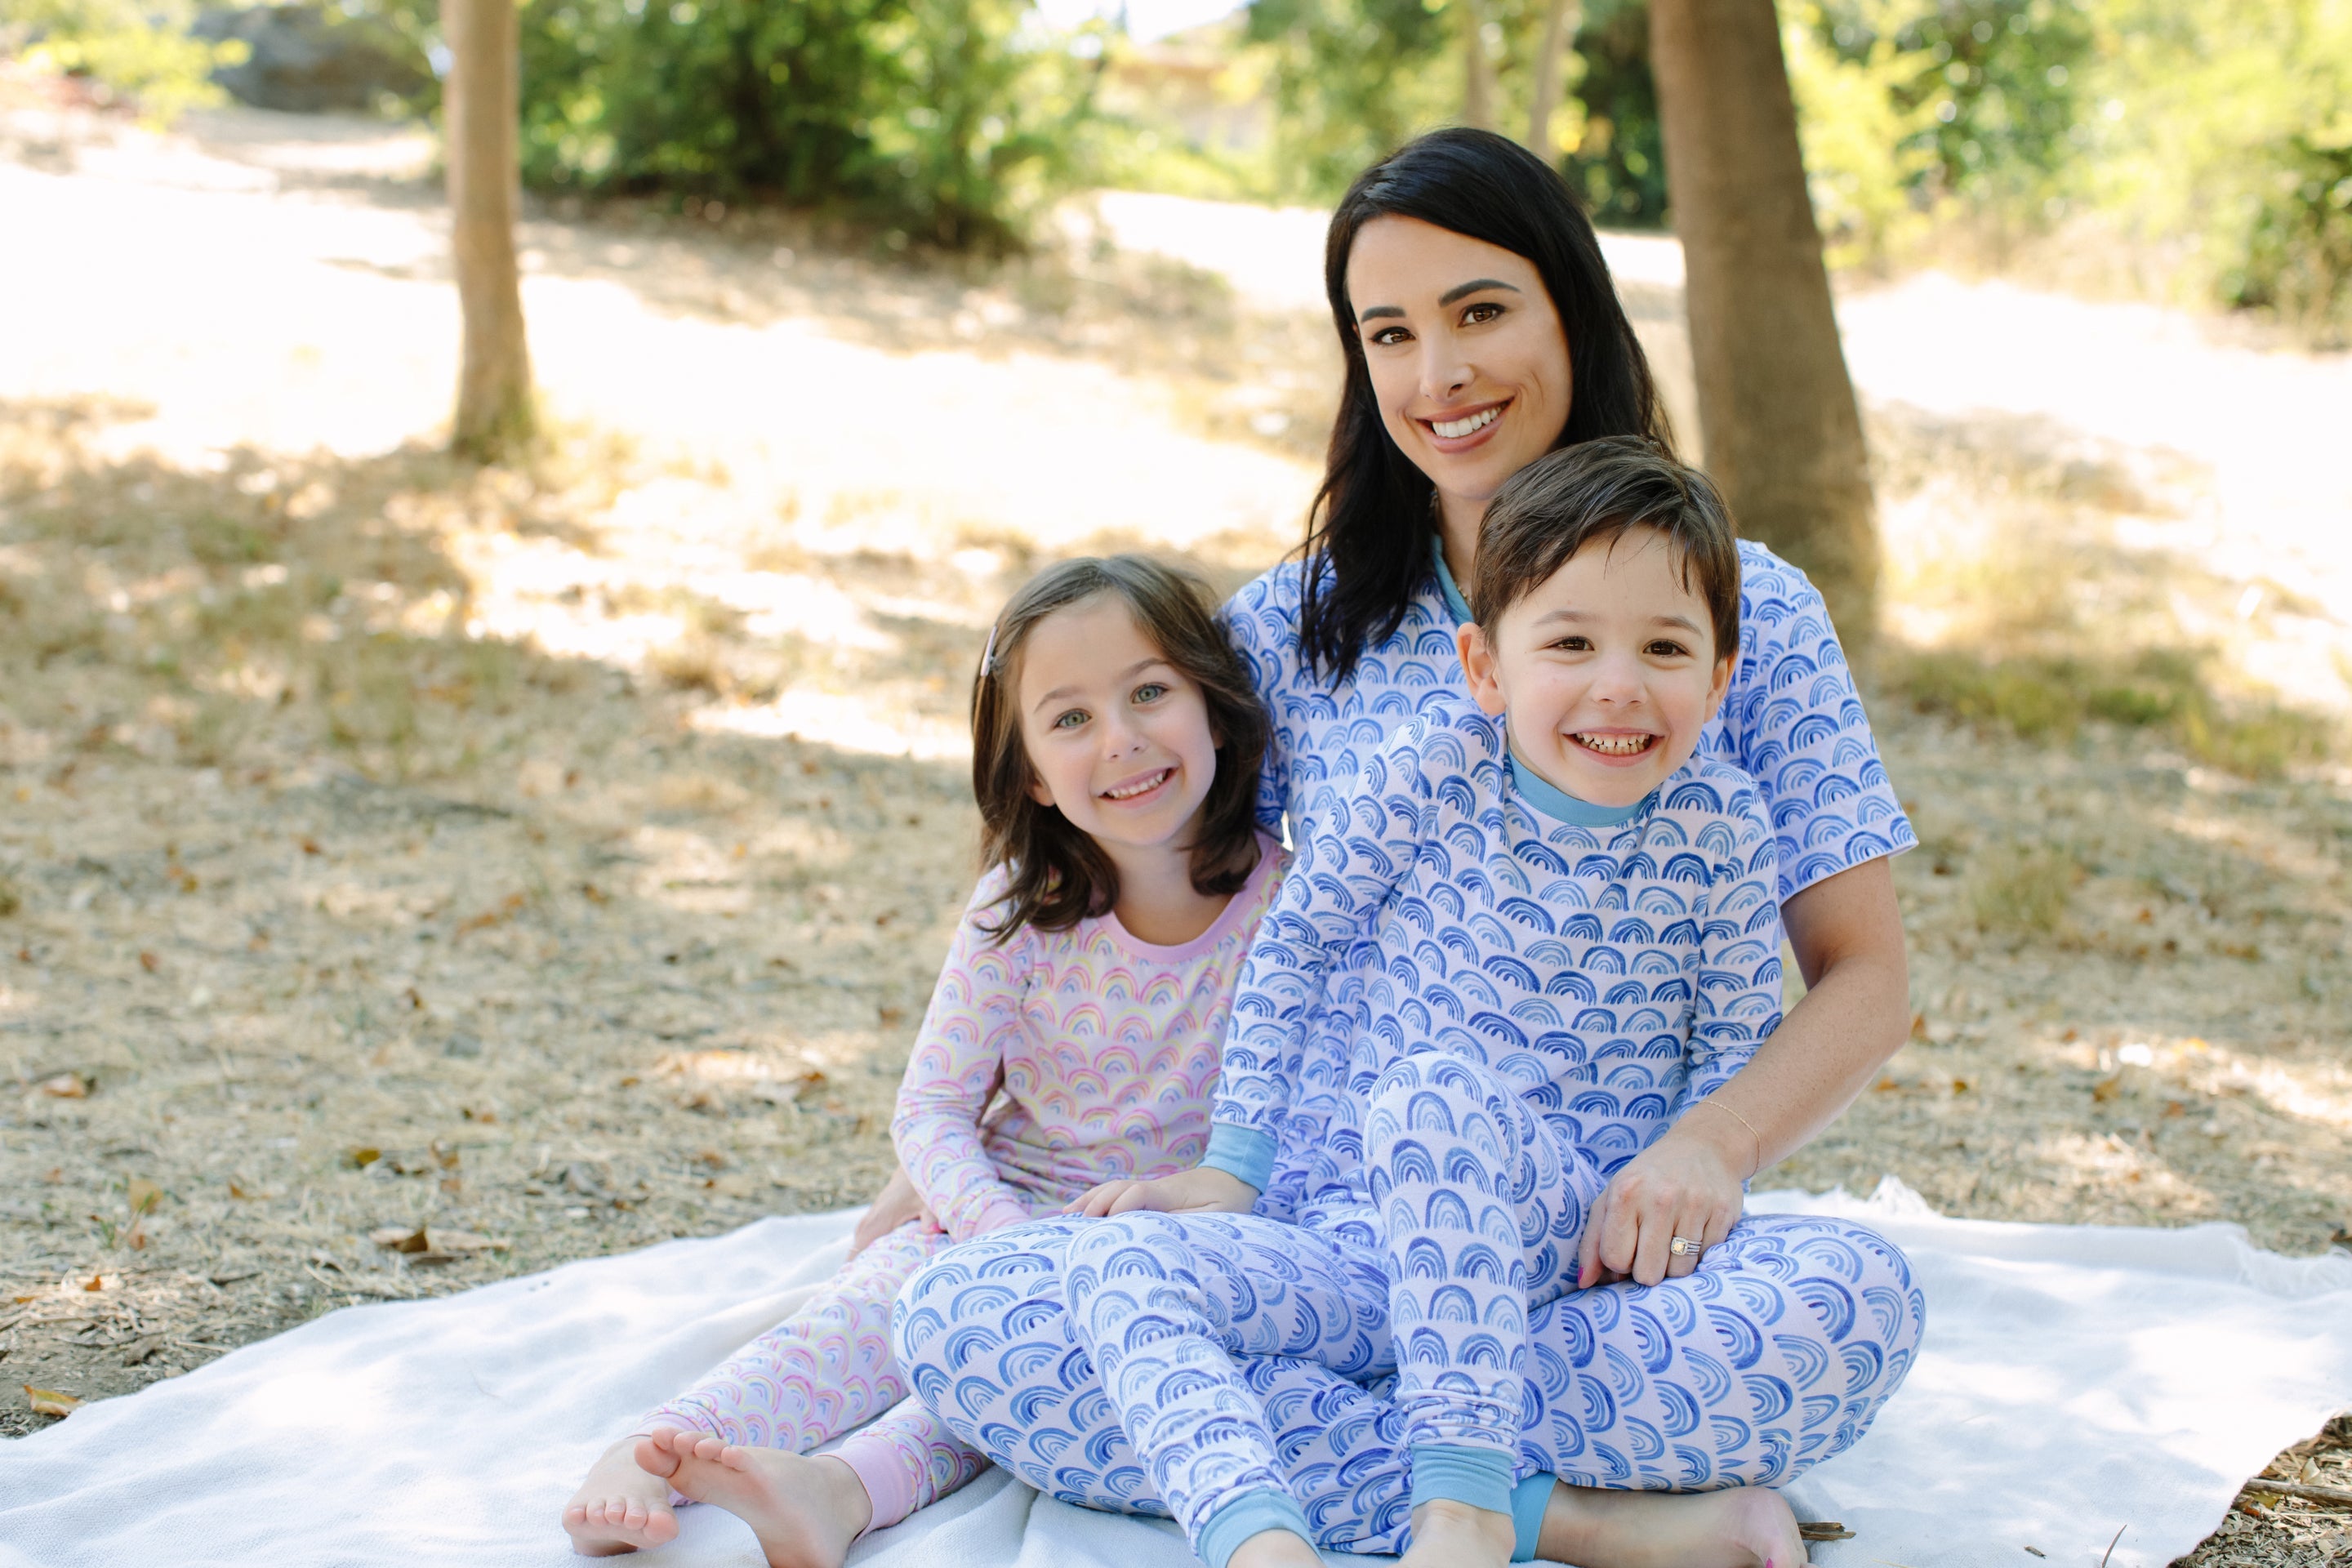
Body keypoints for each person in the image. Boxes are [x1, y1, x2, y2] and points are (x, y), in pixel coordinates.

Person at [885, 127, 1922, 1568]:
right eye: (1391, 332)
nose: (1440, 375)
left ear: (1573, 306)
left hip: (1601, 1274)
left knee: (1851, 1308)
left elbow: (1865, 977)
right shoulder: (1295, 629)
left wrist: (1710, 1147)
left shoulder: (1753, 612)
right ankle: (1559, 1513)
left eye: (1481, 312)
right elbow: (1137, 891)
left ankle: (1320, 1437)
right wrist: (953, 1150)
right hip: (1333, 1244)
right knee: (961, 1317)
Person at [560, 555, 1287, 1564]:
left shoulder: (1289, 909)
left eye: (1150, 692)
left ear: (1214, 706)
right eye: (1070, 718)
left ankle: (840, 1495)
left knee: (1033, 1373)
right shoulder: (1020, 909)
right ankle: (655, 1451)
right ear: (1031, 769)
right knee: (863, 1321)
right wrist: (997, 1233)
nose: (1121, 741)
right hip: (996, 1212)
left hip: (1165, 1241)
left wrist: (1138, 1233)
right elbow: (933, 1111)